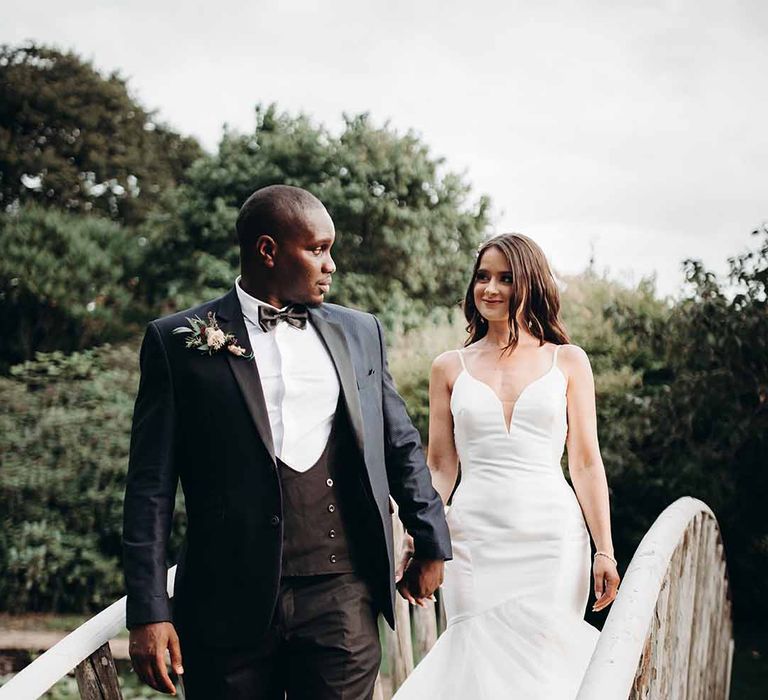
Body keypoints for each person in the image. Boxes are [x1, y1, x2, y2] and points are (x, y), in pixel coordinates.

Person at [122, 184, 452, 699]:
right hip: (224, 605)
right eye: (318, 249)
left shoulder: (360, 332)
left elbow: (399, 443)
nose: (332, 265)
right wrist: (146, 611)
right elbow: (150, 489)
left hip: (341, 598)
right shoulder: (177, 342)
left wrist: (430, 541)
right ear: (268, 250)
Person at [394, 233, 620, 698]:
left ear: (530, 284)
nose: (489, 289)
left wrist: (605, 548)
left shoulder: (569, 362)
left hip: (552, 538)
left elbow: (585, 463)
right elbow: (439, 467)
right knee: (475, 664)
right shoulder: (448, 368)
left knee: (546, 666)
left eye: (505, 278)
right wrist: (421, 536)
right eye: (482, 277)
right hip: (474, 538)